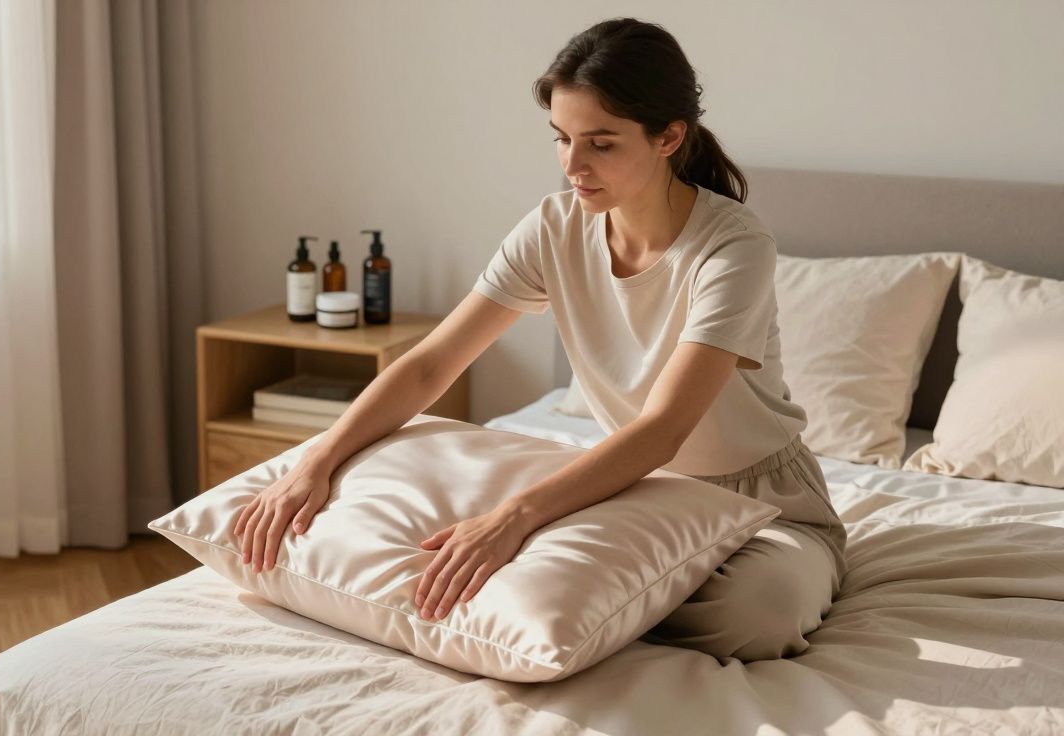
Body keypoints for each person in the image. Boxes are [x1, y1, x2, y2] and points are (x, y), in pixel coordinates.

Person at [232, 17, 847, 663]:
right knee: (511, 587)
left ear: (669, 137)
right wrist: (316, 462)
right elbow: (430, 365)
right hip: (634, 491)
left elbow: (664, 427)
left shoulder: (733, 247)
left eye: (601, 144)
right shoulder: (554, 227)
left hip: (762, 502)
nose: (573, 167)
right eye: (562, 139)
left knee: (755, 616)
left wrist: (516, 516)